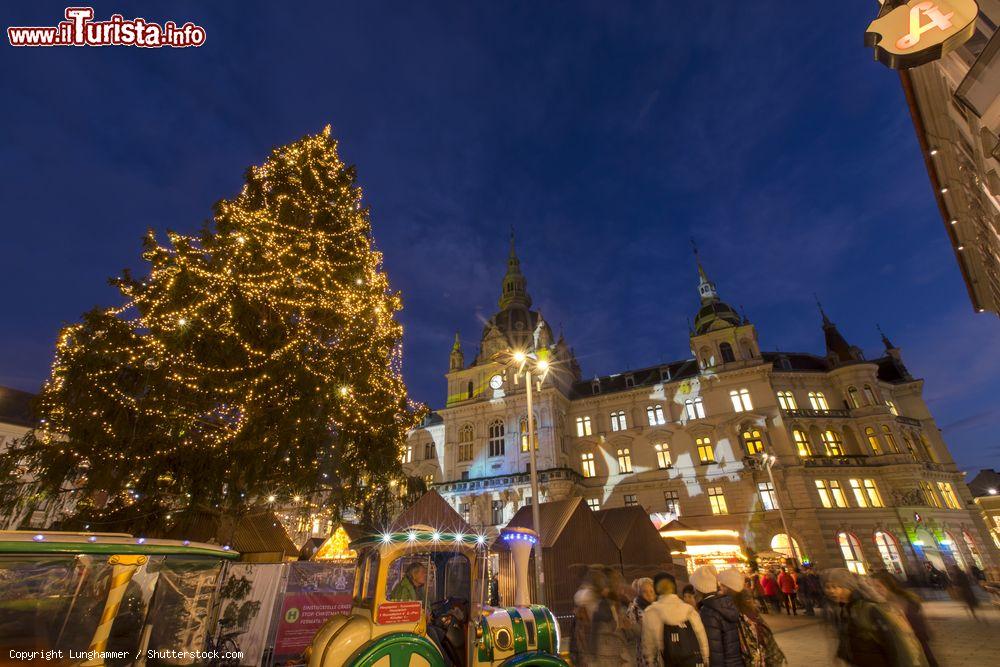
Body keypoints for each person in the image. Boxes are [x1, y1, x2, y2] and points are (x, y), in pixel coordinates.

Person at [822, 568, 928, 667]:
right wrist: (842, 655)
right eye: (827, 587)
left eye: (835, 587)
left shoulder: (869, 608)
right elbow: (848, 636)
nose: (830, 591)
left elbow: (896, 642)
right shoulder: (845, 609)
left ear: (847, 586)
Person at [717, 568, 786, 667]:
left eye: (722, 586)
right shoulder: (748, 607)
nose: (720, 589)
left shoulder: (733, 610)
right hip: (761, 657)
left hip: (751, 659)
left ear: (729, 588)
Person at [642, 571, 709, 666]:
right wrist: (705, 659)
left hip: (667, 662)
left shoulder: (651, 612)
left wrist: (650, 663)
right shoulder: (689, 610)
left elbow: (648, 646)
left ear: (656, 589)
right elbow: (701, 637)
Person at [872, 571, 938, 667]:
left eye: (878, 586)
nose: (875, 590)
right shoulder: (881, 605)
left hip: (917, 652)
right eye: (873, 587)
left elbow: (920, 633)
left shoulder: (903, 603)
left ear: (889, 586)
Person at [696, 567, 743, 667]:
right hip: (737, 661)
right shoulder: (727, 603)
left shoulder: (708, 611)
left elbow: (715, 650)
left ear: (699, 588)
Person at [626, 577, 657, 667]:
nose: (649, 594)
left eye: (651, 591)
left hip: (660, 653)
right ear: (639, 593)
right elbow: (631, 633)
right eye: (645, 591)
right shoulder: (634, 609)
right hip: (645, 654)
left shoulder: (658, 607)